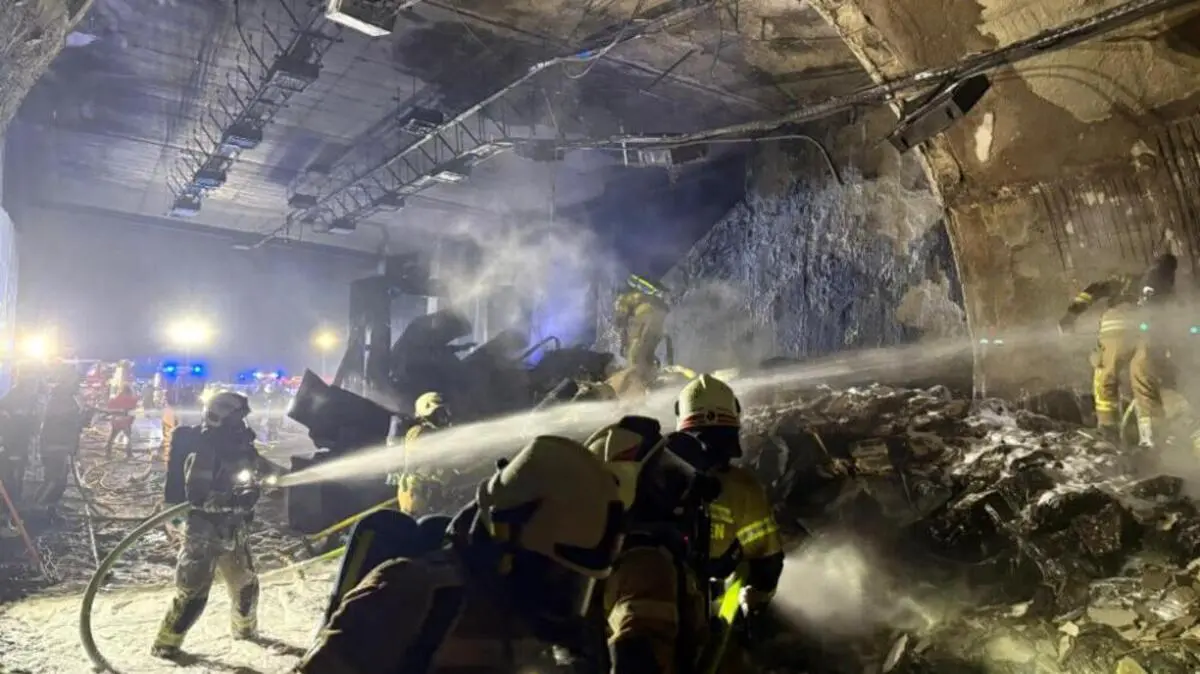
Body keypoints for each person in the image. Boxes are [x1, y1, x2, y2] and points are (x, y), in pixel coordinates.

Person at [295, 435, 627, 674]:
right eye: (556, 573)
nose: (563, 593)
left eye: (576, 583)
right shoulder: (412, 595)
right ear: (505, 538)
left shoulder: (550, 624)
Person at [152, 391, 284, 659]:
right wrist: (231, 500)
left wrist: (277, 475)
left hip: (234, 529)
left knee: (245, 584)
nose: (242, 423)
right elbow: (198, 497)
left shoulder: (239, 443)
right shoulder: (205, 447)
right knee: (193, 592)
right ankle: (166, 644)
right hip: (205, 531)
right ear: (220, 417)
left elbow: (259, 466)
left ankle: (245, 631)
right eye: (237, 417)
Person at [585, 416, 719, 674]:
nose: (677, 483)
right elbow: (637, 657)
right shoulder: (646, 564)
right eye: (662, 475)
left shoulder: (618, 551)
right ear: (625, 487)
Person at [674, 375, 783, 651]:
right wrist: (758, 606)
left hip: (645, 601)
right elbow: (767, 561)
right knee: (742, 574)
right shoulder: (742, 487)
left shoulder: (654, 474)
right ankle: (730, 633)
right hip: (709, 615)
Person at [1059, 254, 1177, 445]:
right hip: (1148, 335)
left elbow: (1095, 290)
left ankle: (1108, 432)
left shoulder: (1126, 281)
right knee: (1144, 383)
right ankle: (1152, 441)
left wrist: (1072, 313)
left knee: (1106, 377)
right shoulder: (1166, 290)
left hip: (1117, 328)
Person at [34, 377, 88, 512]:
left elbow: (72, 424)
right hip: (55, 446)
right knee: (53, 479)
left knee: (60, 479)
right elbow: (64, 423)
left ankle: (51, 506)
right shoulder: (60, 402)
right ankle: (37, 507)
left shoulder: (64, 401)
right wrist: (80, 419)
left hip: (61, 446)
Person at [393, 391, 453, 515]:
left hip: (428, 493)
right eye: (439, 413)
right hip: (415, 494)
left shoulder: (435, 434)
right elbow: (414, 463)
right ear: (427, 414)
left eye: (445, 413)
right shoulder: (418, 432)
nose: (444, 418)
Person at [612, 275, 670, 393]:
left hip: (645, 318)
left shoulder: (623, 300)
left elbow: (621, 320)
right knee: (646, 354)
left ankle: (636, 389)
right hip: (658, 322)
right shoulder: (644, 298)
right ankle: (650, 382)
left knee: (634, 356)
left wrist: (623, 342)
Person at [0, 376, 41, 538]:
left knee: (13, 485)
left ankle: (7, 520)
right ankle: (3, 522)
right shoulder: (13, 399)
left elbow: (29, 425)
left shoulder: (28, 399)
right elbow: (9, 425)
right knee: (9, 485)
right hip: (10, 450)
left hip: (16, 449)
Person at [103, 385, 139, 458]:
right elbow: (133, 410)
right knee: (129, 438)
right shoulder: (132, 399)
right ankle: (129, 454)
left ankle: (108, 453)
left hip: (116, 421)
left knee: (112, 437)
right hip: (125, 422)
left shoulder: (115, 398)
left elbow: (109, 407)